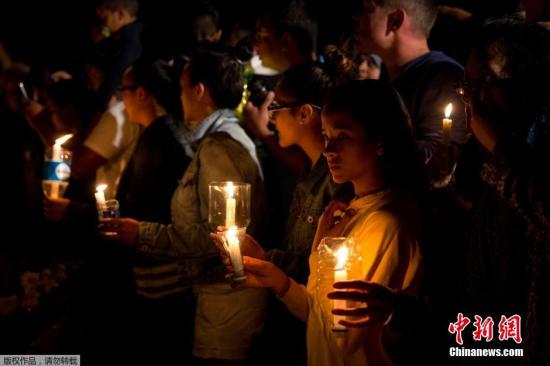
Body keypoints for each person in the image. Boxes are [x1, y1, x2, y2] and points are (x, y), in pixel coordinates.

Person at [215, 80, 426, 366]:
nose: (329, 149)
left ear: (379, 140)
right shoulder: (357, 209)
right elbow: (320, 312)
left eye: (343, 136)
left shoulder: (386, 223)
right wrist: (278, 280)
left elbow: (345, 337)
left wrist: (319, 251)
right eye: (326, 136)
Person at [101, 44, 267, 365]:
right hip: (226, 297)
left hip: (227, 300)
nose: (179, 97)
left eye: (182, 89)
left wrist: (144, 234)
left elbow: (219, 236)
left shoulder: (220, 147)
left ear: (200, 91)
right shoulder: (225, 137)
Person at [456, 17, 550, 365]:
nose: (474, 98)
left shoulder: (532, 153)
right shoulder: (480, 158)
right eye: (468, 84)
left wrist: (499, 147)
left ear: (528, 83)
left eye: (486, 83)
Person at [355, 0, 469, 182]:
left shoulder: (441, 79)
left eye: (366, 11)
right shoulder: (389, 79)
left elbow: (437, 161)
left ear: (395, 21)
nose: (356, 19)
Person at [95, 0, 142, 110]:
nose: (104, 25)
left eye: (105, 19)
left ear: (120, 14)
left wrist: (97, 107)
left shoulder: (130, 41)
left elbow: (115, 77)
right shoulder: (132, 34)